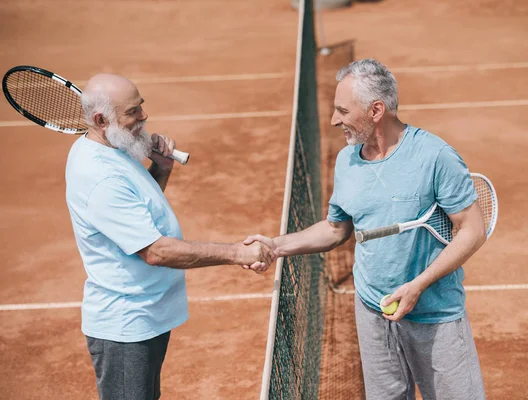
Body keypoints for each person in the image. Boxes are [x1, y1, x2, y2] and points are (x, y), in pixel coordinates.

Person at [244, 58, 487, 399]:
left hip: (434, 315)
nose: (333, 120)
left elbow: (472, 230)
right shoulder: (347, 161)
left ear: (376, 110)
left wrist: (417, 286)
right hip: (373, 311)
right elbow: (334, 229)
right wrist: (275, 246)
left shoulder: (434, 156)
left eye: (343, 110)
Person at [65, 73, 273, 400]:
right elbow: (155, 251)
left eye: (141, 107)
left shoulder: (116, 148)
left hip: (147, 316)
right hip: (125, 327)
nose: (143, 117)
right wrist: (237, 253)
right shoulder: (99, 176)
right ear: (101, 120)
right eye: (132, 112)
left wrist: (161, 168)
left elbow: (142, 216)